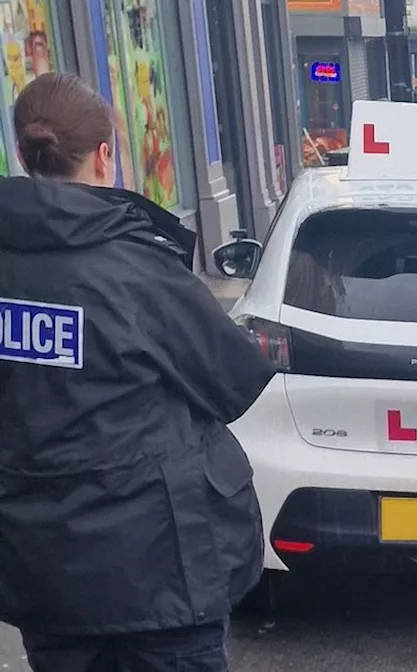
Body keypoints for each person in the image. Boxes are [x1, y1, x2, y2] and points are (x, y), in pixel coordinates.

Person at [0, 73, 275, 671]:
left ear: (23, 155)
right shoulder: (132, 266)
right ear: (104, 156)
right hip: (160, 575)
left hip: (44, 572)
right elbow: (233, 379)